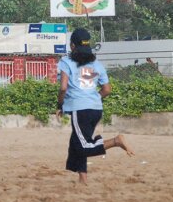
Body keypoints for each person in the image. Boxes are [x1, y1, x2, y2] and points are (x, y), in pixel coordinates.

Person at [56, 28, 135, 185]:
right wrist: (93, 98)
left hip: (81, 110)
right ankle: (83, 178)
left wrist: (59, 104)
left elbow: (63, 88)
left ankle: (116, 141)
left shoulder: (66, 62)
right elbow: (107, 90)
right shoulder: (97, 65)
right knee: (76, 143)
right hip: (96, 109)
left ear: (72, 45)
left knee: (84, 146)